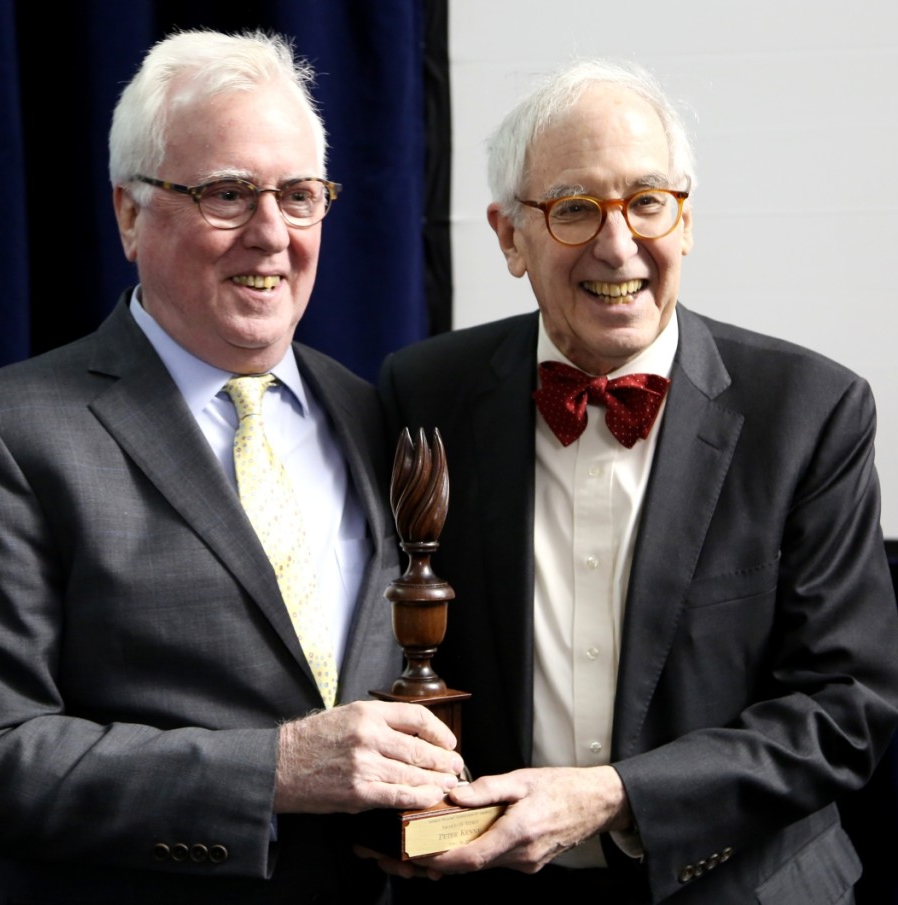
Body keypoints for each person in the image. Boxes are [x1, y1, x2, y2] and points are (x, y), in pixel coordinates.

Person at [0, 29, 464, 905]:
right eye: (228, 195)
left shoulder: (375, 414)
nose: (272, 234)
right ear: (130, 213)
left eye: (299, 195)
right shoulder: (6, 434)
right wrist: (273, 769)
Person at [378, 60, 898, 903]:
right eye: (575, 209)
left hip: (740, 886)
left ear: (686, 220)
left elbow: (843, 709)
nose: (618, 245)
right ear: (509, 236)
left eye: (648, 201)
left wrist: (612, 796)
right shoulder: (424, 392)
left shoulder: (812, 410)